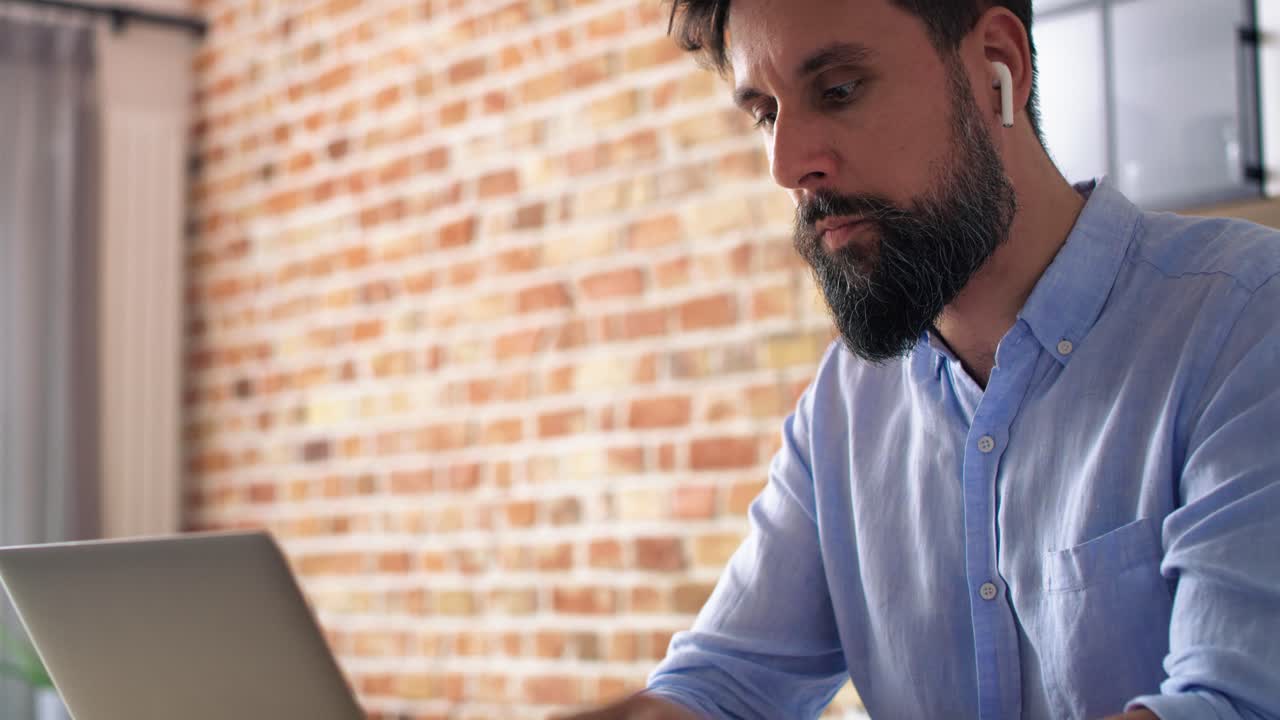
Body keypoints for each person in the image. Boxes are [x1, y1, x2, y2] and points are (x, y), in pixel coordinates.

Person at [561, 0, 1280, 718]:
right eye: (767, 114)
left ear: (1000, 63)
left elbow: (1234, 703)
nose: (788, 166)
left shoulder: (1246, 319)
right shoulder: (845, 408)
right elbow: (723, 687)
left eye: (838, 90)